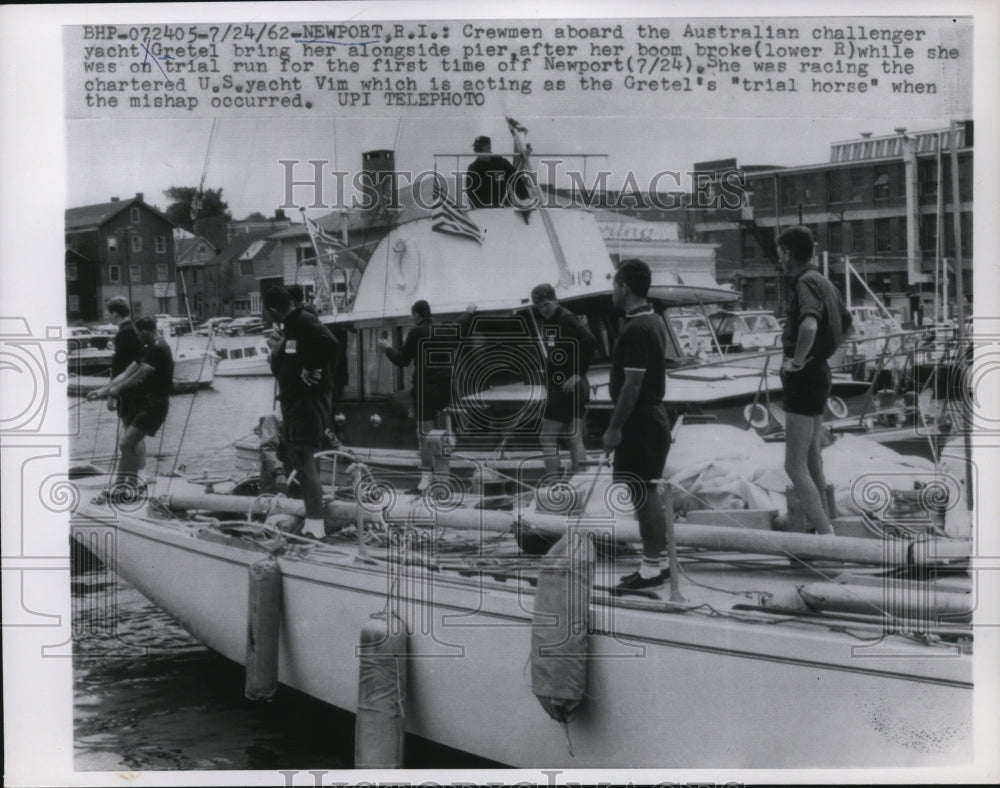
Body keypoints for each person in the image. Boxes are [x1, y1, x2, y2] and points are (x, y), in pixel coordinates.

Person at [777, 226, 854, 536]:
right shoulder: (824, 282)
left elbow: (808, 326)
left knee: (793, 465)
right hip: (820, 373)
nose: (779, 260)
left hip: (804, 378)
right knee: (812, 458)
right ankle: (824, 523)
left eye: (780, 254)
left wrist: (797, 362)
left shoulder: (804, 283)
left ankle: (824, 534)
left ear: (787, 253)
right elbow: (849, 328)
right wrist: (822, 355)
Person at [601, 260, 673, 590]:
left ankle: (650, 568)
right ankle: (660, 561)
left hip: (640, 421)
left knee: (642, 493)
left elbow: (632, 386)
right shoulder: (652, 320)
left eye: (615, 285)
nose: (613, 291)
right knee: (647, 491)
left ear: (625, 287)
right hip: (652, 417)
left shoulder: (635, 329)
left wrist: (614, 428)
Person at [263, 287, 340, 539]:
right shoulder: (292, 328)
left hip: (306, 405)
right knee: (303, 461)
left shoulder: (302, 321)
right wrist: (283, 351)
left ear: (273, 310)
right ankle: (312, 521)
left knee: (305, 463)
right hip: (297, 403)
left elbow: (330, 343)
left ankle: (316, 527)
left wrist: (310, 367)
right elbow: (294, 355)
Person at [377, 300, 476, 491]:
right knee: (444, 433)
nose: (410, 318)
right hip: (446, 389)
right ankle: (443, 477)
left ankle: (425, 480)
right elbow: (461, 322)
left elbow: (403, 360)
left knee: (424, 434)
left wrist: (387, 348)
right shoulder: (445, 329)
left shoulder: (416, 332)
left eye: (411, 314)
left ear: (417, 315)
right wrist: (469, 312)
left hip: (425, 390)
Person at [87, 316, 174, 499]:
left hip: (155, 405)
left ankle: (123, 486)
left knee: (127, 443)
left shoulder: (160, 349)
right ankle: (131, 485)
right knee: (128, 444)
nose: (138, 338)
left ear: (146, 332)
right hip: (145, 404)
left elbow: (139, 377)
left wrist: (115, 391)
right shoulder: (147, 349)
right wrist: (102, 390)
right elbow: (127, 372)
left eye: (138, 334)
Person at [530, 283, 596, 479]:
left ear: (556, 300)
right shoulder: (553, 320)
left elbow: (590, 341)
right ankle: (579, 483)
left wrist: (577, 373)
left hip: (566, 389)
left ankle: (553, 485)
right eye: (539, 306)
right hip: (572, 388)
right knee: (574, 437)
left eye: (547, 305)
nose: (543, 310)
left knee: (547, 438)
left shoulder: (565, 318)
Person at [104, 296, 142, 423]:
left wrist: (111, 395)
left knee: (129, 430)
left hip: (127, 391)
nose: (106, 315)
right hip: (139, 387)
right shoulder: (135, 329)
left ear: (115, 314)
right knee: (134, 434)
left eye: (108, 312)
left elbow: (119, 366)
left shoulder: (123, 333)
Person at [465, 136, 516, 209]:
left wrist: (525, 198)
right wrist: (480, 208)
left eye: (488, 148)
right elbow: (470, 193)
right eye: (478, 150)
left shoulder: (501, 162)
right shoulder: (473, 168)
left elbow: (515, 178)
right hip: (484, 210)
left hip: (505, 207)